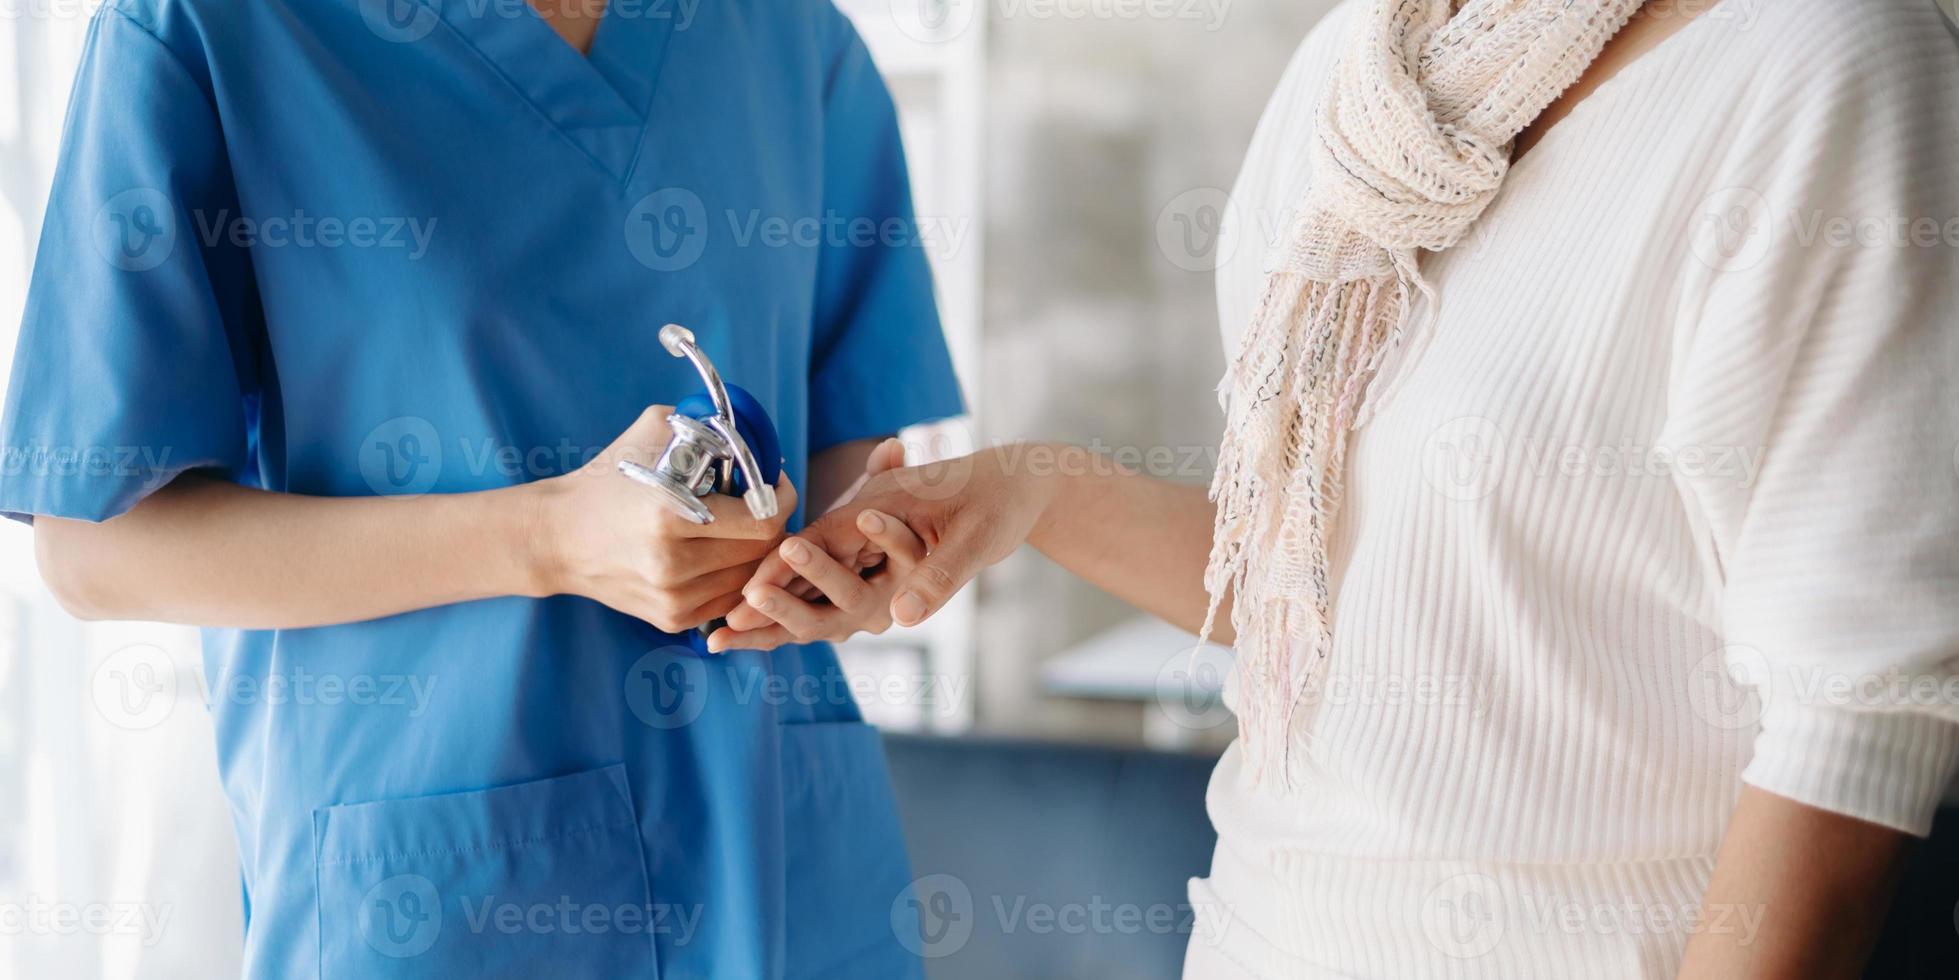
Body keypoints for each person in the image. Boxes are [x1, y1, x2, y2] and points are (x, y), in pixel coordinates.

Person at [722, 0, 1959, 975]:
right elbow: (1315, 585)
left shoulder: (1826, 62)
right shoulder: (1353, 78)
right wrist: (1035, 493)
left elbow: (1857, 712)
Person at [0, 0, 962, 976]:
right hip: (449, 892)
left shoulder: (793, 39)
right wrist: (549, 537)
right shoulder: (212, 28)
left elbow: (848, 464)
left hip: (793, 867)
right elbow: (94, 549)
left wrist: (861, 553)